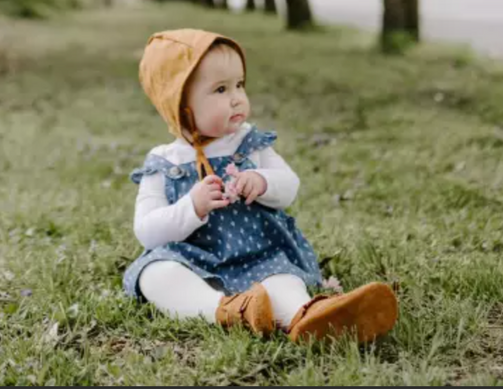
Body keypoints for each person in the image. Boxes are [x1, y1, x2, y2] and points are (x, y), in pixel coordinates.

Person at [123, 29, 398, 342]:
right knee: (155, 275)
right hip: (192, 260)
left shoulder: (249, 143)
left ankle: (309, 316)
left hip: (259, 256)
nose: (237, 97)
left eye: (240, 85)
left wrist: (263, 182)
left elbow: (290, 186)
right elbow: (147, 231)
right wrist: (191, 207)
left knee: (282, 279)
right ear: (177, 102)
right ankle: (228, 311)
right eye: (221, 89)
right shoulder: (163, 162)